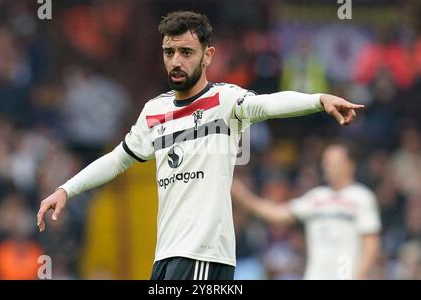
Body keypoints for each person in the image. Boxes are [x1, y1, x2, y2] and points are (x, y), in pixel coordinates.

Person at [37, 11, 364, 280]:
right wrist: (66, 189)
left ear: (207, 56)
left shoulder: (225, 100)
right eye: (169, 52)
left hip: (206, 255)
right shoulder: (155, 111)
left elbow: (269, 104)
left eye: (186, 52)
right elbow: (118, 159)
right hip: (165, 256)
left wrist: (318, 99)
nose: (176, 61)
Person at [231, 144, 381, 280]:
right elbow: (277, 214)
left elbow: (371, 243)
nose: (329, 167)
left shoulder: (362, 197)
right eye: (326, 162)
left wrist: (360, 275)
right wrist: (242, 195)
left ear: (350, 165)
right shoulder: (316, 197)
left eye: (335, 163)